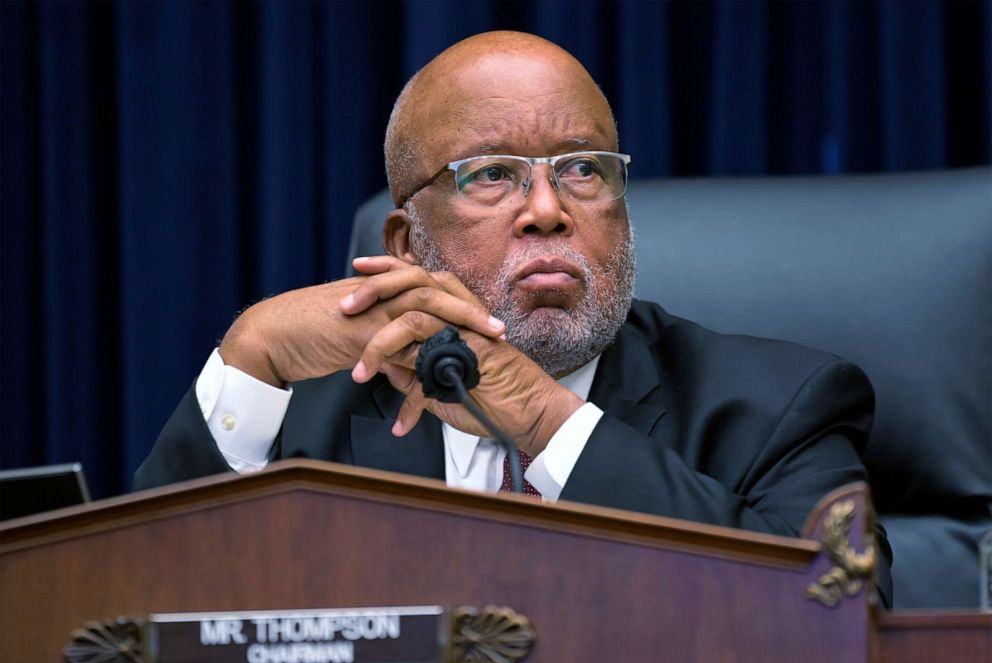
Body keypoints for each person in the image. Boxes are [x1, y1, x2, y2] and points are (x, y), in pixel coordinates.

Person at [134, 31, 891, 603]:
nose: (546, 210)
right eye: (492, 175)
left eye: (582, 169)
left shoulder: (778, 407)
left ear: (623, 216)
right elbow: (125, 613)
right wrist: (250, 350)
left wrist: (542, 421)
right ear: (404, 244)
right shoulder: (311, 419)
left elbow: (838, 622)